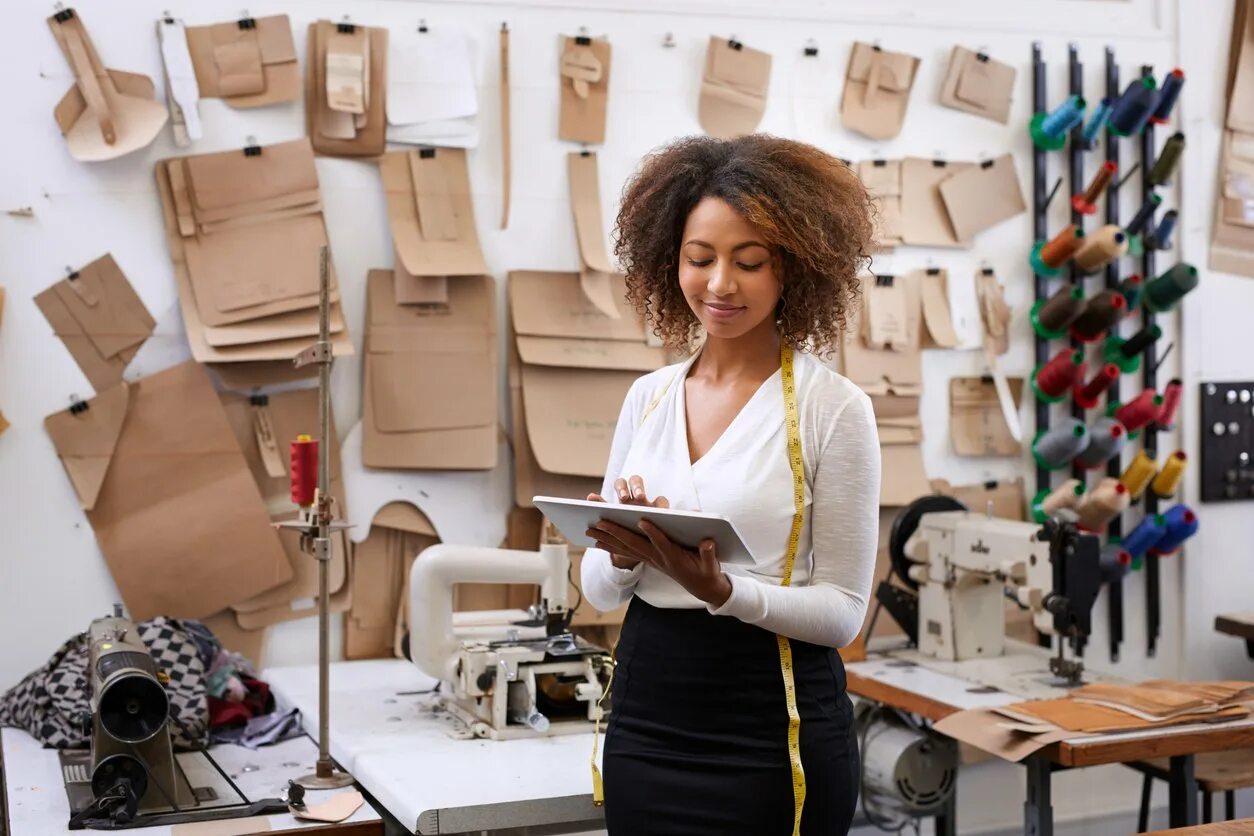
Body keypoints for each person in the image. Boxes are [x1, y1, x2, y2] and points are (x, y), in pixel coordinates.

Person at [580, 134, 881, 836]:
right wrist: (622, 555)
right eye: (699, 258)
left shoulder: (832, 409)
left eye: (750, 262)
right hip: (646, 720)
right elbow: (597, 590)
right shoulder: (647, 398)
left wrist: (721, 591)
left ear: (796, 271)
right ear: (668, 259)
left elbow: (842, 614)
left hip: (771, 732)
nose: (719, 285)